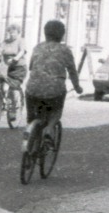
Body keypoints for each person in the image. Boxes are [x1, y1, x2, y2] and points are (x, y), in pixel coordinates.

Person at [23, 19, 81, 150]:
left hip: (33, 89)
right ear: (62, 35)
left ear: (45, 33)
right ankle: (49, 129)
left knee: (32, 117)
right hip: (54, 91)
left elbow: (31, 67)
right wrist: (77, 87)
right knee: (56, 111)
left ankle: (29, 137)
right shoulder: (65, 50)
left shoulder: (37, 47)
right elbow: (72, 71)